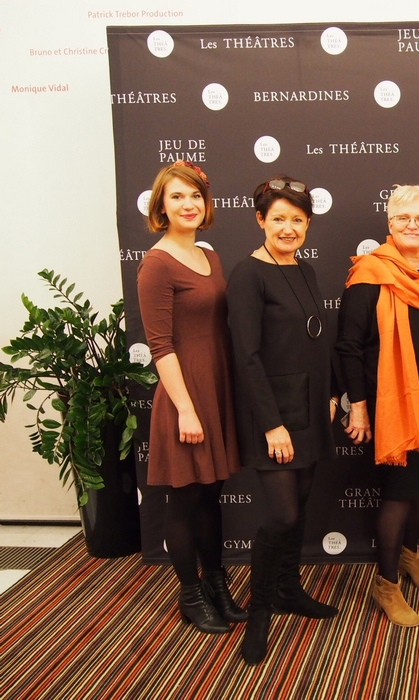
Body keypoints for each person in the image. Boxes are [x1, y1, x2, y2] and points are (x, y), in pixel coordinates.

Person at [335, 184, 419, 627]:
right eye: (404, 218)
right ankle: (386, 583)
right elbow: (348, 348)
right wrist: (358, 407)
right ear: (389, 223)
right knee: (396, 497)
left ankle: (410, 557)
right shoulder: (369, 274)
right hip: (390, 406)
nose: (413, 225)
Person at [226, 176, 340, 665]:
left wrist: (335, 394)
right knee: (282, 515)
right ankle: (259, 616)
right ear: (260, 220)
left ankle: (290, 588)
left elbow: (320, 341)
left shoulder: (306, 270)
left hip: (312, 409)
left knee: (304, 504)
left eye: (297, 219)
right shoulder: (248, 275)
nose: (288, 227)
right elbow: (246, 356)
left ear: (308, 223)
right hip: (273, 416)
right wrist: (272, 424)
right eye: (279, 219)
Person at [136, 161, 243, 634]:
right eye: (177, 196)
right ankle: (191, 593)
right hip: (185, 396)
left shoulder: (208, 255)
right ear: (161, 204)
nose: (188, 204)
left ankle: (216, 581)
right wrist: (185, 409)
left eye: (195, 196)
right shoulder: (156, 263)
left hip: (217, 387)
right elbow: (161, 345)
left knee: (210, 495)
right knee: (183, 500)